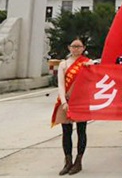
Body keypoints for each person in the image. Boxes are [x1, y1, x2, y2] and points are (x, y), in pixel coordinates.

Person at [51, 37, 92, 175]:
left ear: (83, 48)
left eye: (79, 46)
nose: (76, 49)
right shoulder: (64, 64)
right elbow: (61, 85)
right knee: (66, 131)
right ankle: (68, 161)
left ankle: (78, 161)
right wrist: (63, 101)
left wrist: (90, 67)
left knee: (81, 130)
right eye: (74, 46)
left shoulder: (88, 62)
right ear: (69, 48)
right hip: (66, 101)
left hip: (81, 101)